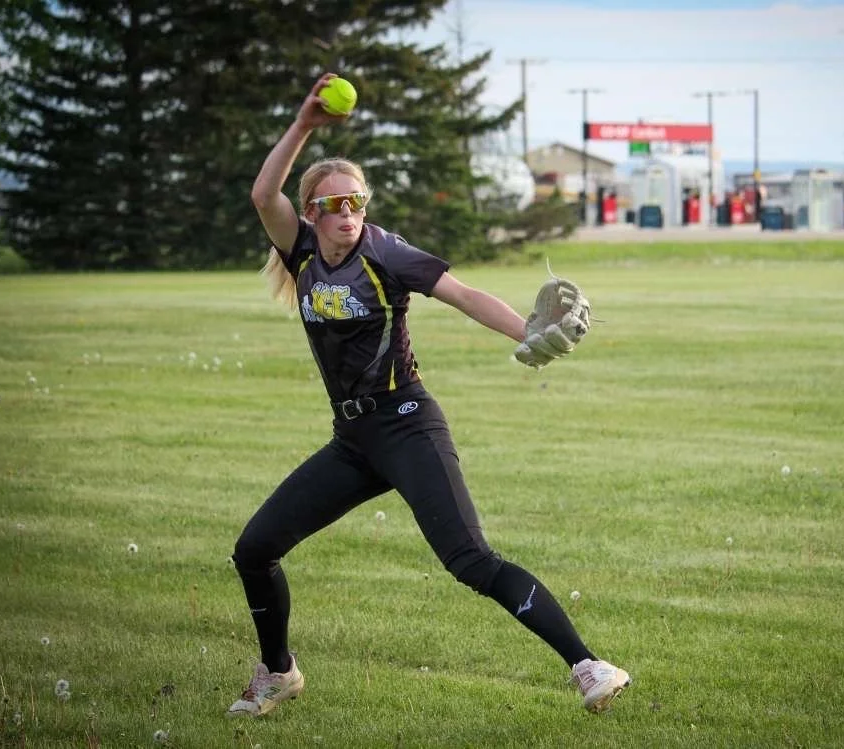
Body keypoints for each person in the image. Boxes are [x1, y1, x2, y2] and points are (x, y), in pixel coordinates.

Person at [226, 73, 630, 718]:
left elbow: (466, 294)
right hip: (354, 440)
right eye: (333, 204)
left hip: (407, 425)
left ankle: (587, 666)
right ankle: (277, 671)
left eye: (355, 200)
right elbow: (262, 191)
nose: (348, 212)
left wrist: (528, 330)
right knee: (254, 549)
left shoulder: (387, 253)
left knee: (470, 560)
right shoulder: (299, 248)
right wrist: (304, 122)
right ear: (311, 214)